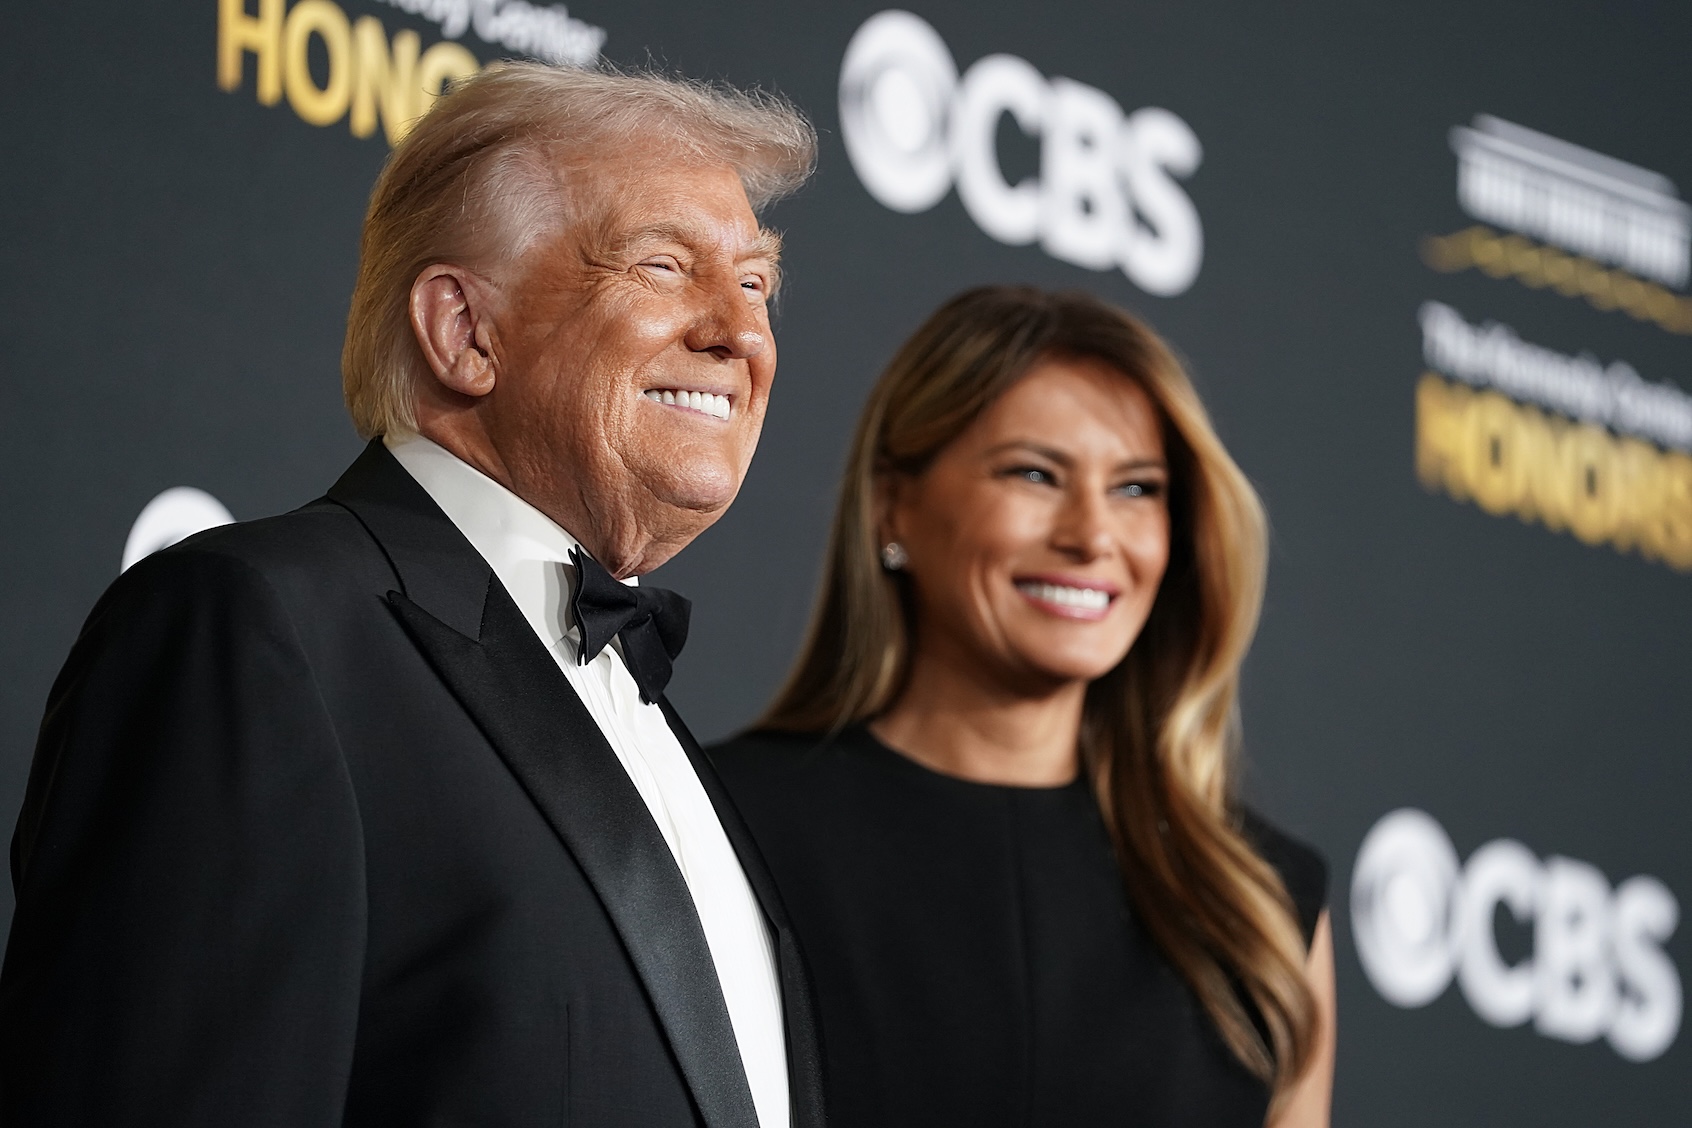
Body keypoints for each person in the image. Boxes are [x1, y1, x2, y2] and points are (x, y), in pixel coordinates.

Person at [0, 64, 822, 1128]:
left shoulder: (655, 725)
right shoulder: (254, 633)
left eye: (755, 284)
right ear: (464, 332)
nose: (739, 333)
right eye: (663, 265)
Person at [712, 286, 1337, 1128]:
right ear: (893, 504)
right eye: (1035, 474)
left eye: (1137, 489)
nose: (1092, 536)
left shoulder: (1259, 903)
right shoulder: (721, 829)